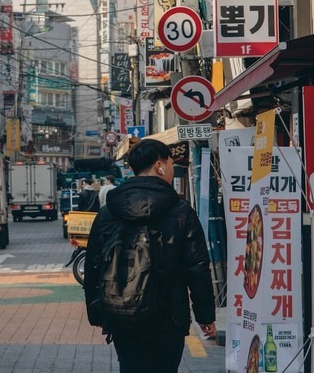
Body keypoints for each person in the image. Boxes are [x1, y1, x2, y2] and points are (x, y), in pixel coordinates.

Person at [84, 139, 216, 372]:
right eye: (170, 162)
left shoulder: (108, 212)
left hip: (122, 313)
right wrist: (205, 315)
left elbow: (93, 264)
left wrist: (97, 312)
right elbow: (197, 267)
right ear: (160, 166)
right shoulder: (181, 211)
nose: (172, 168)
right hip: (169, 317)